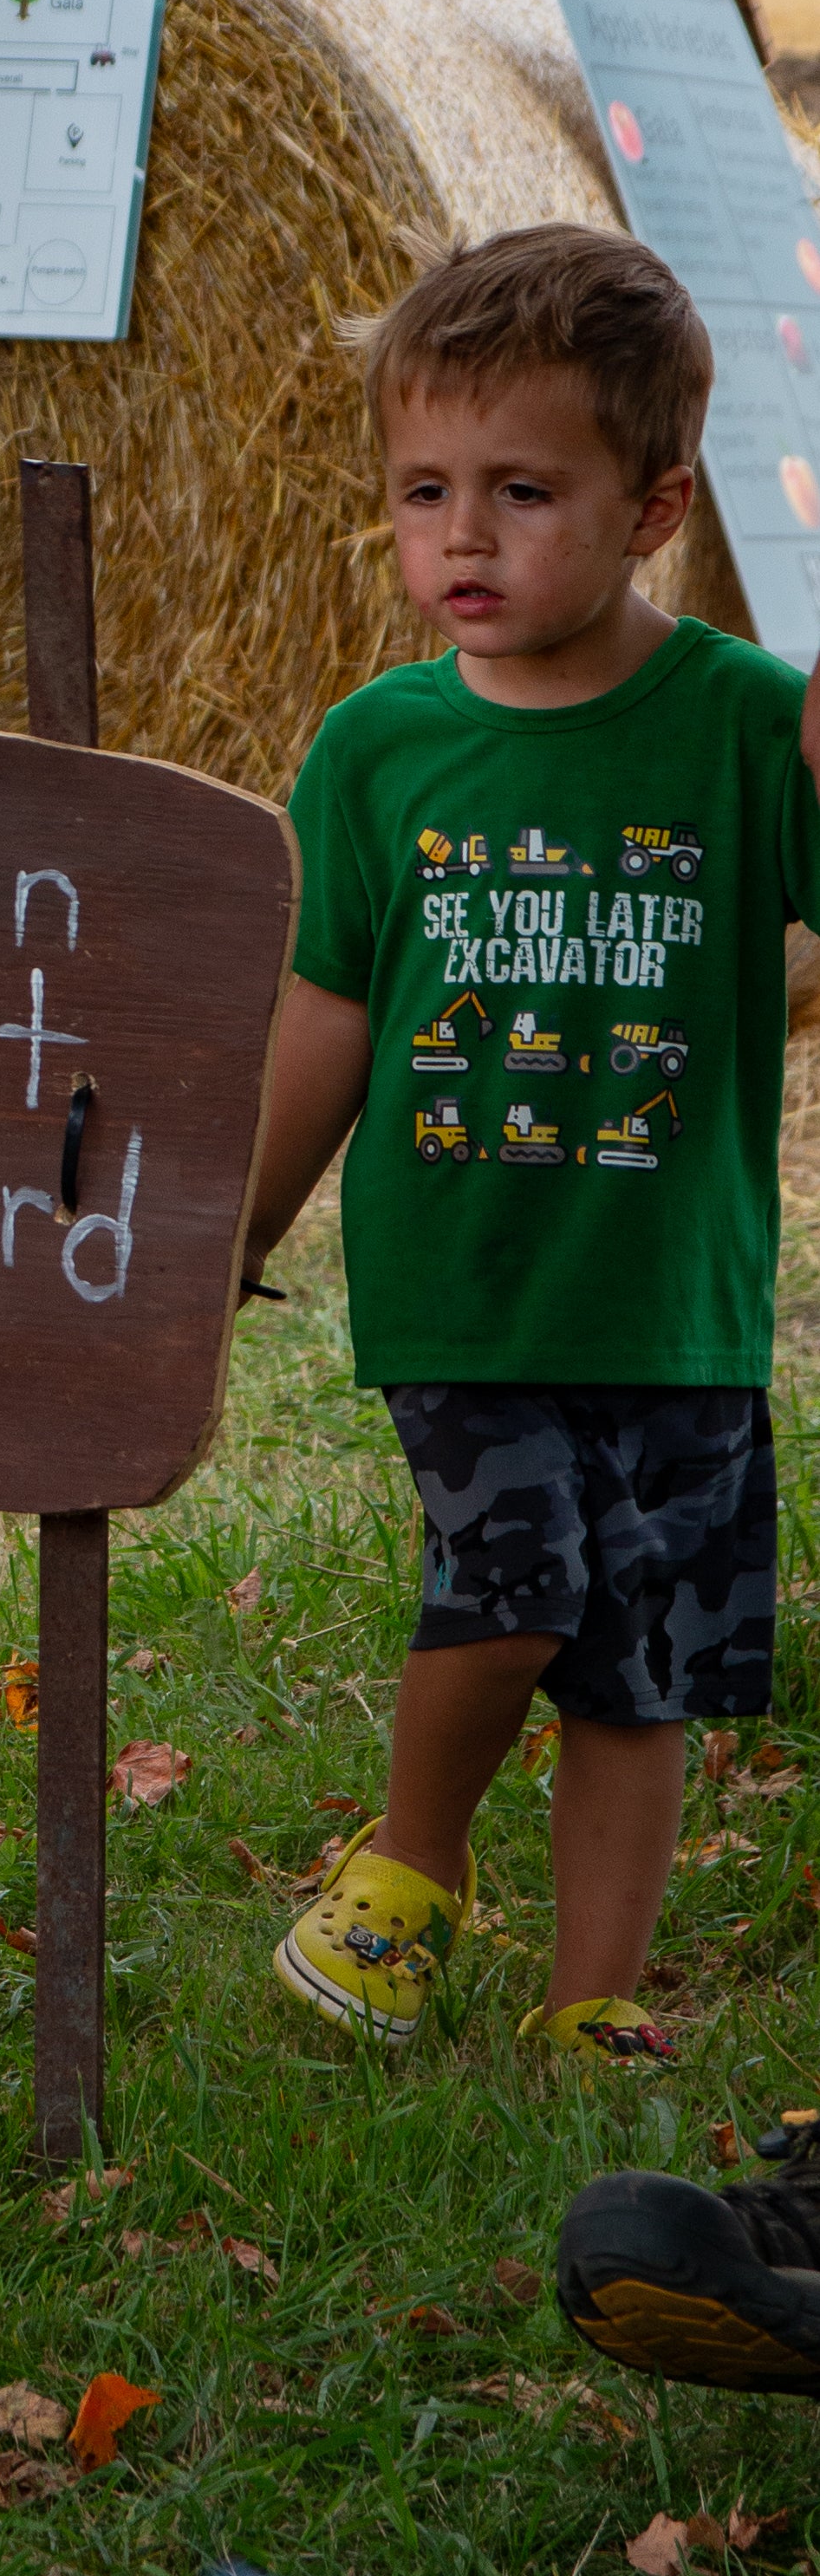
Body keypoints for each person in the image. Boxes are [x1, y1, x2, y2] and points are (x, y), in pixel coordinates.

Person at [244, 220, 820, 2065]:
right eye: (425, 490)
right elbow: (329, 1006)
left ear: (654, 508)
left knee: (634, 1674)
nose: (463, 537)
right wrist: (233, 1222)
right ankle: (410, 1865)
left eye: (521, 490)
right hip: (464, 1284)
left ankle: (591, 1994)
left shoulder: (747, 726)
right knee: (509, 1595)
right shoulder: (379, 748)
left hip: (674, 1302)